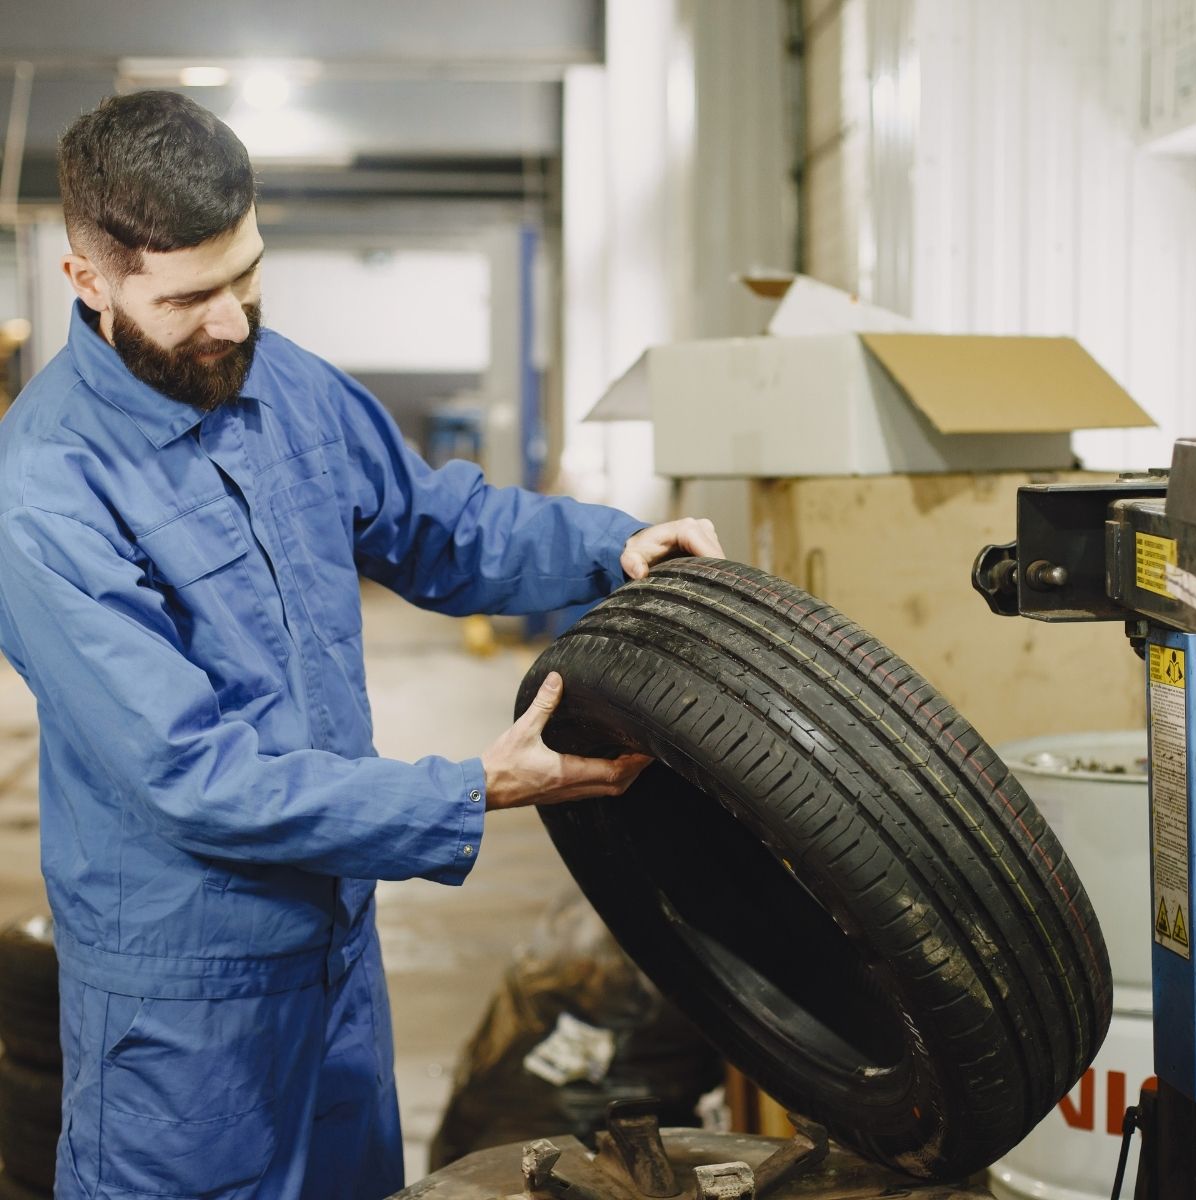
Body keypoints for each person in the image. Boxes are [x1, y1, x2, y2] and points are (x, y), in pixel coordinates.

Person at [0, 91, 723, 1200]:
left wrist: (614, 547)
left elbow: (439, 526)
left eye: (247, 274)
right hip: (183, 1005)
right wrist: (464, 790)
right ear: (89, 282)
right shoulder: (43, 490)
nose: (234, 322)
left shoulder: (284, 384)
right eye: (192, 297)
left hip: (336, 955)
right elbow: (192, 773)